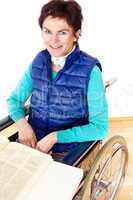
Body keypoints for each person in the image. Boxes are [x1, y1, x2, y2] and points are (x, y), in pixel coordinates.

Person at [7, 0, 108, 157]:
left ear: (76, 34)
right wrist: (23, 125)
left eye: (62, 32)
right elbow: (14, 100)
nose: (53, 40)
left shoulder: (91, 71)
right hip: (32, 144)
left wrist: (55, 138)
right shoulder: (39, 61)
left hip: (67, 152)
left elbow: (99, 128)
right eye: (47, 31)